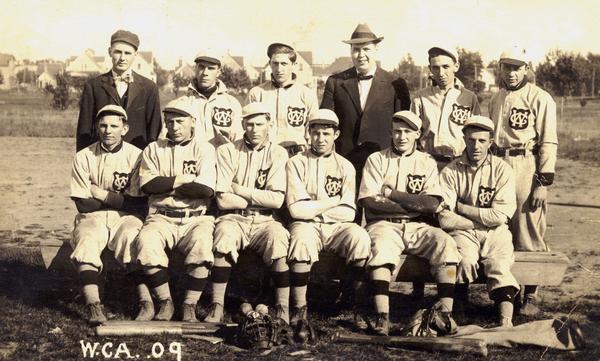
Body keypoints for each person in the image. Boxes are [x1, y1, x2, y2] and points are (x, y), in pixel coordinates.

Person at [358, 110, 460, 336]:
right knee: (381, 250)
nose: (401, 137)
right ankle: (382, 315)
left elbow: (432, 202)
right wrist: (416, 204)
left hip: (417, 226)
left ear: (418, 134)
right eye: (397, 131)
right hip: (383, 224)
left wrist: (391, 194)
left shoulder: (426, 161)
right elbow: (369, 202)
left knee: (445, 243)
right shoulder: (376, 159)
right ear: (391, 133)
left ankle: (445, 314)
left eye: (407, 132)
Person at [285, 109, 371, 331]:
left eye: (326, 133)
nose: (320, 139)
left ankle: (355, 305)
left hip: (337, 226)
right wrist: (333, 202)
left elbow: (349, 212)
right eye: (316, 133)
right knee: (300, 240)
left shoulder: (345, 166)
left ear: (336, 134)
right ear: (308, 134)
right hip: (307, 225)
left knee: (360, 237)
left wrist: (313, 208)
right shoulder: (296, 163)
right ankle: (299, 307)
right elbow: (296, 211)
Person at [205, 102, 291, 323]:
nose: (254, 129)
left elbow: (277, 200)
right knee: (224, 235)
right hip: (234, 216)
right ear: (242, 124)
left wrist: (239, 189)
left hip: (265, 219)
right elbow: (223, 199)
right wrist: (258, 197)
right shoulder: (227, 150)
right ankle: (217, 305)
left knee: (278, 238)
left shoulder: (278, 153)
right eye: (249, 124)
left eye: (259, 124)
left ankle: (283, 307)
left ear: (269, 124)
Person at [489, 46, 558, 315]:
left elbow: (548, 141)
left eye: (517, 67)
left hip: (524, 163)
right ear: (501, 68)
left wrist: (542, 182)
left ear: (527, 69)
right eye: (507, 66)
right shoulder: (496, 98)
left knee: (528, 227)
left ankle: (531, 294)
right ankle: (510, 290)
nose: (512, 72)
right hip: (498, 163)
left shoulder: (540, 98)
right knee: (501, 227)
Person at [136, 97, 216, 322]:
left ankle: (189, 304)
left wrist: (167, 186)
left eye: (180, 121)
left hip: (196, 217)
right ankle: (165, 302)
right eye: (169, 121)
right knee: (146, 242)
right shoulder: (153, 148)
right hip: (161, 216)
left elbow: (206, 190)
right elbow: (148, 186)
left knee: (202, 246)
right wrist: (182, 180)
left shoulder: (204, 149)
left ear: (193, 122)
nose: (174, 127)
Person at [321, 23, 410, 222]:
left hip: (381, 164)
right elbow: (326, 123)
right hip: (345, 163)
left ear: (376, 49)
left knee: (379, 225)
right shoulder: (335, 82)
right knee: (345, 223)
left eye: (366, 49)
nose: (361, 55)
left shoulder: (396, 83)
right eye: (356, 49)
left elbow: (403, 127)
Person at [69, 104, 150, 324]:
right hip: (92, 217)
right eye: (103, 125)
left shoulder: (137, 156)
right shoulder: (84, 156)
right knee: (86, 240)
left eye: (114, 126)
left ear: (124, 128)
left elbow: (138, 204)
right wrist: (118, 200)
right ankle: (94, 306)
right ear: (96, 127)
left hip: (125, 217)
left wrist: (101, 194)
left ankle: (145, 301)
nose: (108, 130)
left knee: (131, 237)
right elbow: (82, 205)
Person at [438, 115, 519, 327]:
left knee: (499, 264)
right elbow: (445, 218)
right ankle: (460, 309)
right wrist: (478, 221)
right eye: (472, 139)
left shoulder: (502, 169)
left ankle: (505, 319)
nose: (476, 146)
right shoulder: (451, 170)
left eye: (482, 141)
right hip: (463, 231)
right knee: (464, 260)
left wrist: (463, 209)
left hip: (496, 231)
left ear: (490, 142)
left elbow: (500, 216)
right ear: (464, 138)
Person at [76, 30, 161, 151]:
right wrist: (83, 161)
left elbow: (154, 132)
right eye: (118, 52)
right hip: (101, 157)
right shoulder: (93, 86)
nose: (122, 58)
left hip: (137, 159)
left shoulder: (149, 88)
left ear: (135, 54)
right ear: (109, 52)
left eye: (127, 53)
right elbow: (84, 131)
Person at [411, 46, 481, 169]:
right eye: (436, 68)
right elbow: (412, 134)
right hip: (427, 163)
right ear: (430, 68)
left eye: (446, 67)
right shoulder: (420, 97)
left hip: (459, 163)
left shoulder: (469, 98)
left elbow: (477, 135)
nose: (441, 73)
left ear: (456, 66)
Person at [248, 43, 319, 157]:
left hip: (296, 154)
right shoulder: (256, 93)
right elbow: (247, 126)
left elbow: (313, 130)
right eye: (275, 64)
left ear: (293, 64)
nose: (279, 69)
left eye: (284, 64)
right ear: (270, 64)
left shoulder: (306, 94)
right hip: (264, 153)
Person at [177, 51, 243, 148]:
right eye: (201, 67)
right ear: (195, 69)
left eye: (211, 68)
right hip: (191, 161)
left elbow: (239, 140)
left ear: (218, 72)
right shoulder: (182, 103)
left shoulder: (232, 103)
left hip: (221, 160)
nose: (205, 73)